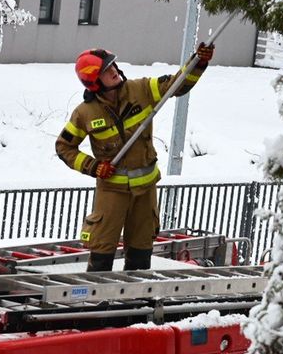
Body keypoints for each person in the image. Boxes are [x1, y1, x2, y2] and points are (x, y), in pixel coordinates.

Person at [55, 42, 214, 272]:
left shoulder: (141, 89)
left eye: (114, 66)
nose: (114, 71)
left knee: (140, 254)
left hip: (145, 191)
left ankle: (136, 303)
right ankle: (97, 302)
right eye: (107, 70)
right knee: (101, 251)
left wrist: (198, 62)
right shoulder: (85, 113)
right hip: (111, 192)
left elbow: (176, 85)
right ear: (94, 81)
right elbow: (64, 147)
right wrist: (93, 166)